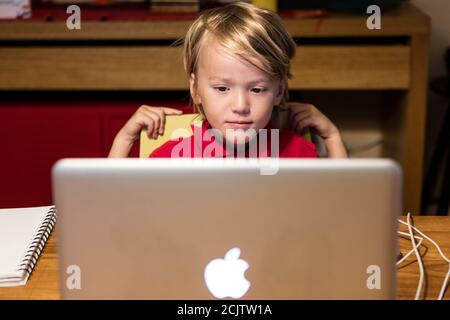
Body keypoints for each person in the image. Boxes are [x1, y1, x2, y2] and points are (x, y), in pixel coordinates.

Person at [108, 2, 347, 159]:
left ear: (279, 90)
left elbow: (341, 212)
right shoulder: (175, 157)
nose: (240, 106)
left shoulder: (297, 153)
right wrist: (124, 140)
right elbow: (113, 212)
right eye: (222, 88)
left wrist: (332, 138)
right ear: (196, 90)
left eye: (257, 89)